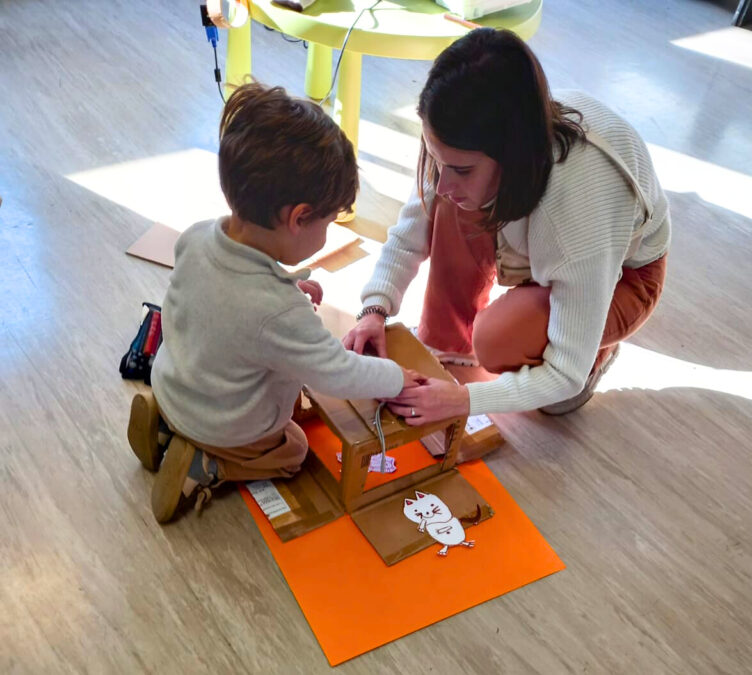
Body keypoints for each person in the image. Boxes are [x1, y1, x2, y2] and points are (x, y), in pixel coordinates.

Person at [127, 80, 422, 523]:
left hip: (171, 385)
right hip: (225, 425)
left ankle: (167, 425)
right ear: (298, 218)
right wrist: (397, 379)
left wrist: (283, 287)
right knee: (295, 449)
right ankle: (206, 463)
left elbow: (226, 302)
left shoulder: (198, 236)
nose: (327, 233)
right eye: (327, 222)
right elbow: (338, 372)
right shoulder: (279, 312)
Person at [343, 28, 670, 425]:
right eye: (436, 158)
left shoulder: (576, 214)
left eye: (461, 169)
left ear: (513, 156)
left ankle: (597, 349)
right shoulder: (465, 135)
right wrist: (374, 309)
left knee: (500, 345)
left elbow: (564, 374)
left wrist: (464, 400)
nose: (442, 183)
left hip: (624, 278)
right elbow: (410, 232)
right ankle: (450, 342)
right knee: (451, 200)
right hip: (536, 224)